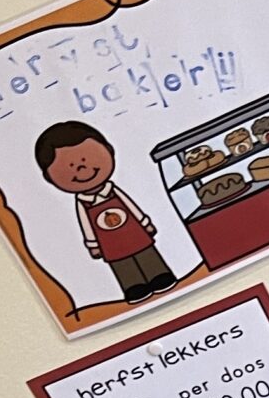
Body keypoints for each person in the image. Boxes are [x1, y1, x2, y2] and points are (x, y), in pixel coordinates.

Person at [35, 122, 175, 303]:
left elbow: (130, 206)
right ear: (49, 177)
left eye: (85, 160)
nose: (82, 169)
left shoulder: (113, 191)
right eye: (71, 166)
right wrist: (93, 245)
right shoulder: (83, 204)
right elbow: (86, 225)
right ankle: (134, 286)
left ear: (108, 150)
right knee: (120, 263)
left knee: (146, 252)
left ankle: (159, 275)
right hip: (108, 241)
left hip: (133, 231)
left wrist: (144, 223)